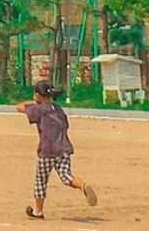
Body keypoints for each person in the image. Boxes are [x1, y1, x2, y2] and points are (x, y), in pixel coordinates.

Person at [16, 81, 98, 219]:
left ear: (38, 95)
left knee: (41, 181)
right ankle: (82, 185)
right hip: (64, 147)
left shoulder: (39, 109)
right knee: (66, 176)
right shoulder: (58, 109)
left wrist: (35, 102)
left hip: (47, 150)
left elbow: (19, 107)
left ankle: (38, 211)